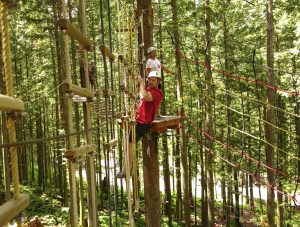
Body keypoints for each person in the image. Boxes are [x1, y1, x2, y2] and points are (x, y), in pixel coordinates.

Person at [117, 71, 163, 178]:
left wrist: (142, 83)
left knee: (129, 144)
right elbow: (141, 104)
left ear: (158, 81)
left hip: (143, 124)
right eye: (149, 80)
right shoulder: (148, 90)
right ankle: (128, 167)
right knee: (128, 143)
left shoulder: (157, 93)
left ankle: (128, 168)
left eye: (153, 80)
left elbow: (143, 97)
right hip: (138, 121)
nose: (150, 82)